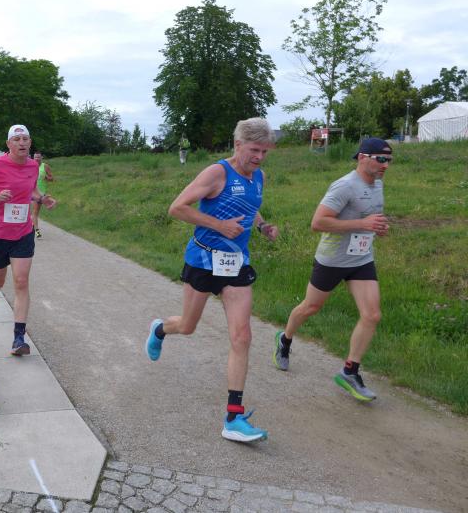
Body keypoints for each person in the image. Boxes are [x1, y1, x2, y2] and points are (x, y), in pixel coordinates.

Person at [145, 118, 279, 443]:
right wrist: (219, 226)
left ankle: (233, 417)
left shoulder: (259, 177)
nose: (259, 157)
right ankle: (160, 329)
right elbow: (177, 208)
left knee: (242, 336)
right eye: (254, 150)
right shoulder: (217, 173)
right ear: (238, 145)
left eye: (265, 151)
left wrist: (262, 226)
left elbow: (250, 207)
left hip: (236, 263)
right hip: (204, 260)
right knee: (187, 326)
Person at [274, 137, 392, 402]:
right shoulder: (344, 185)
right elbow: (318, 223)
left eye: (389, 160)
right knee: (310, 307)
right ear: (362, 157)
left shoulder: (378, 184)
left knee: (372, 314)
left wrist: (378, 227)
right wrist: (363, 224)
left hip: (361, 259)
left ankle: (350, 371)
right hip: (332, 260)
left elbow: (369, 220)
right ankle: (285, 339)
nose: (385, 165)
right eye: (381, 159)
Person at [0, 125, 57, 355]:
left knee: (21, 281)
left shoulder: (33, 166)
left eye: (25, 138)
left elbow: (31, 191)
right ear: (8, 144)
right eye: (17, 139)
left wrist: (42, 198)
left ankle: (19, 338)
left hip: (23, 233)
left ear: (30, 142)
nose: (22, 142)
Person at [31, 151, 54, 239]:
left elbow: (52, 178)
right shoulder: (30, 165)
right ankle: (36, 230)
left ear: (41, 158)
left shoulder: (45, 166)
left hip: (41, 193)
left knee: (35, 211)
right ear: (33, 158)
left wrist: (47, 178)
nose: (37, 159)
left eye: (38, 157)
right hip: (30, 191)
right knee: (33, 211)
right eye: (35, 157)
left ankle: (34, 227)